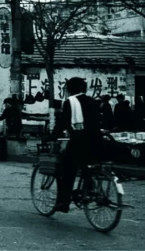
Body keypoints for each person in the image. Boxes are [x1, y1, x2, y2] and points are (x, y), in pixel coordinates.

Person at [47, 77, 102, 213]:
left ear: (70, 89)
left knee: (66, 170)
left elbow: (63, 122)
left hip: (79, 140)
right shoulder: (93, 101)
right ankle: (89, 189)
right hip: (96, 140)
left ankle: (63, 203)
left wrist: (51, 136)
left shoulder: (70, 102)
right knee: (86, 166)